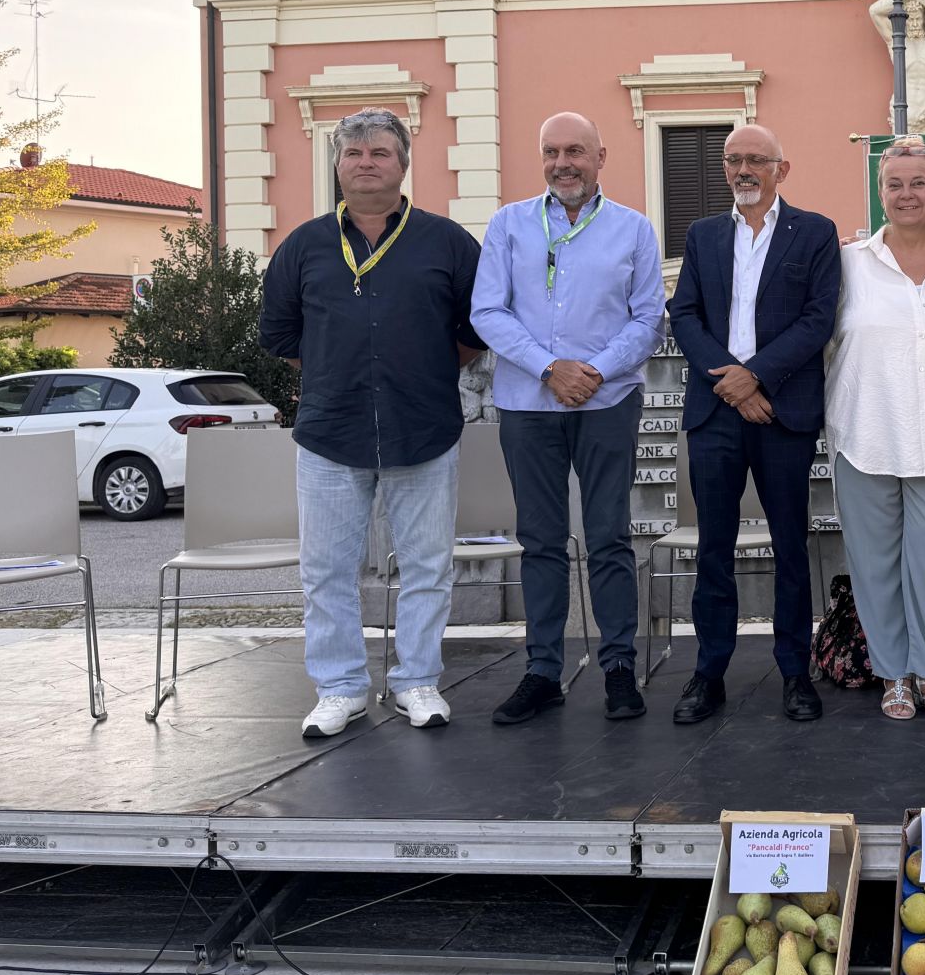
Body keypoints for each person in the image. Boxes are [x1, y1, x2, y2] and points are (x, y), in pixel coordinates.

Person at [259, 107, 484, 739]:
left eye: (380, 152)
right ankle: (340, 689)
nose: (366, 163)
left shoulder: (447, 242)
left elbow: (476, 329)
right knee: (326, 572)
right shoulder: (302, 246)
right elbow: (279, 333)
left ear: (403, 164)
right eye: (353, 153)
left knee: (427, 568)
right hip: (330, 433)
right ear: (337, 166)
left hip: (423, 428)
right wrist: (337, 368)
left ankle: (417, 681)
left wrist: (421, 369)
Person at [471, 112, 665, 726]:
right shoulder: (508, 224)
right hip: (528, 404)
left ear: (600, 157)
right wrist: (550, 368)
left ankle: (618, 667)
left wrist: (595, 372)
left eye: (576, 151)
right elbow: (487, 311)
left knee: (609, 536)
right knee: (540, 541)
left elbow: (648, 318)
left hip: (607, 403)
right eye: (552, 151)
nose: (563, 163)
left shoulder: (633, 229)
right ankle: (542, 672)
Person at [667, 124, 841, 725]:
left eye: (756, 160)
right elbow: (684, 313)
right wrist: (732, 383)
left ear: (780, 170)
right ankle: (708, 671)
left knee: (791, 545)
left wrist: (757, 376)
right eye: (733, 159)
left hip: (782, 410)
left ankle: (795, 672)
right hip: (716, 410)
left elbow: (818, 319)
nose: (743, 170)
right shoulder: (703, 234)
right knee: (713, 548)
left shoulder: (815, 233)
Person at [828, 138, 925, 721]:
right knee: (873, 564)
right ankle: (893, 674)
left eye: (919, 182)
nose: (906, 194)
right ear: (880, 193)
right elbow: (821, 339)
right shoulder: (850, 264)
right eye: (894, 184)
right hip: (864, 430)